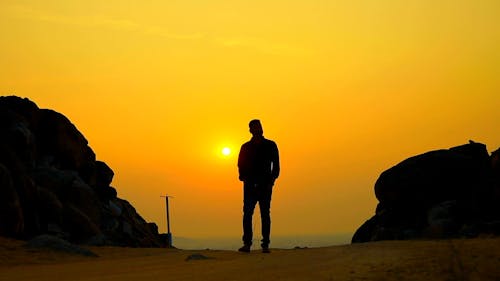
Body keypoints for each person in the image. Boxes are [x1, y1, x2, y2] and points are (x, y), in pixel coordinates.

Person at [237, 119, 280, 253]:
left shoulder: (270, 145)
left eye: (259, 126)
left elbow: (276, 166)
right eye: (255, 127)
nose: (258, 129)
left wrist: (271, 181)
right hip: (250, 186)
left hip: (265, 186)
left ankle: (265, 244)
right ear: (250, 130)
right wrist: (244, 178)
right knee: (248, 214)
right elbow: (240, 165)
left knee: (265, 214)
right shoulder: (245, 147)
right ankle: (247, 243)